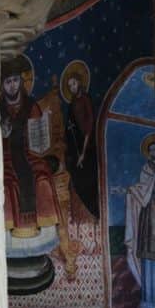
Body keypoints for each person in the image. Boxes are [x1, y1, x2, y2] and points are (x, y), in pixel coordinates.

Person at [0, 56, 62, 240]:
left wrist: (42, 141)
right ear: (3, 85)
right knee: (8, 182)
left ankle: (45, 231)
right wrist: (1, 134)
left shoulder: (31, 105)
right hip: (5, 156)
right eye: (8, 81)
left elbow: (41, 139)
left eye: (15, 80)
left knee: (42, 176)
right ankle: (10, 234)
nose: (12, 85)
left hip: (29, 155)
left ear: (21, 81)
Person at [124, 136, 155, 308]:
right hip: (148, 220)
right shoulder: (146, 169)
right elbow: (143, 189)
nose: (154, 153)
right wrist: (133, 190)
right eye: (151, 150)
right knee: (149, 258)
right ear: (148, 153)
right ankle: (150, 300)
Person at [61, 63, 100, 219]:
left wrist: (83, 153)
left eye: (74, 83)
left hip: (87, 149)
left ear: (80, 83)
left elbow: (89, 126)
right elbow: (69, 126)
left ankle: (94, 211)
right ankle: (84, 210)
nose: (72, 87)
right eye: (69, 85)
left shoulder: (85, 100)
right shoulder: (71, 105)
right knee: (76, 177)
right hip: (75, 150)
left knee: (88, 179)